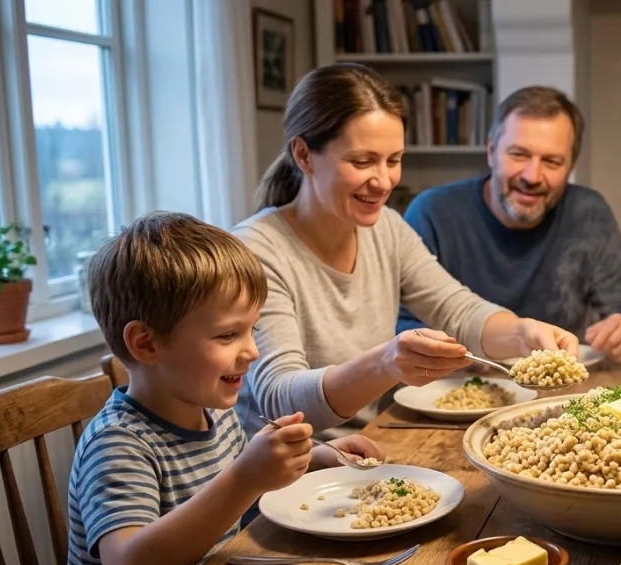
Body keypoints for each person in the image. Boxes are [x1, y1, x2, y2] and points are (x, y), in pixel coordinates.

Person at [68, 211, 385, 565]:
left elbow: (237, 493)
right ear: (146, 344)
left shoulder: (213, 411)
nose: (251, 350)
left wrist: (313, 458)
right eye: (227, 335)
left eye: (251, 329)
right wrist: (244, 479)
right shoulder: (119, 443)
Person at [235, 64, 579, 440]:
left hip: (365, 448)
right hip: (280, 467)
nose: (384, 181)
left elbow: (457, 310)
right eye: (362, 161)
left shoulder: (386, 228)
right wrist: (384, 363)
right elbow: (279, 400)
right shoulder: (256, 251)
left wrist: (522, 333)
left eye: (394, 160)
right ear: (304, 155)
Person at [395, 85, 621, 365]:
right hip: (460, 382)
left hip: (564, 385)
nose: (532, 176)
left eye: (552, 161)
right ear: (491, 151)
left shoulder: (588, 213)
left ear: (571, 166)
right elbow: (401, 326)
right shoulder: (433, 212)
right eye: (518, 154)